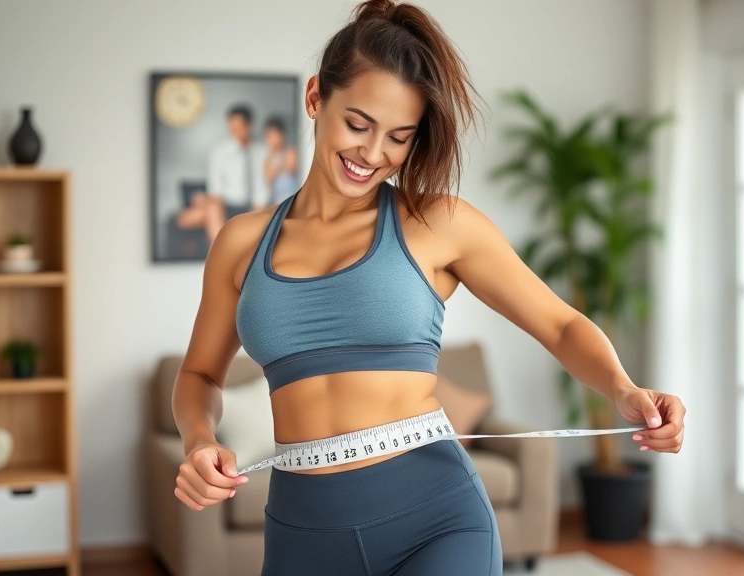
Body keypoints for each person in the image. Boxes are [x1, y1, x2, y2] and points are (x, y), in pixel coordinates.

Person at [171, 1, 686, 574]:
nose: (372, 154)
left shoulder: (438, 223)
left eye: (399, 138)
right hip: (301, 535)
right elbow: (200, 375)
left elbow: (560, 324)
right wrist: (199, 440)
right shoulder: (241, 243)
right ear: (316, 97)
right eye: (358, 124)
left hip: (436, 522)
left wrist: (623, 388)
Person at [176, 104, 269, 243]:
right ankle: (222, 250)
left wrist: (257, 208)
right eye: (232, 128)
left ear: (249, 126)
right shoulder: (219, 153)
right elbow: (216, 189)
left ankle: (223, 250)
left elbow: (264, 185)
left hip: (253, 206)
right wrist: (214, 204)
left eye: (238, 128)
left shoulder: (263, 152)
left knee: (196, 215)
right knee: (202, 212)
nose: (235, 133)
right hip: (226, 206)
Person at [263, 116, 300, 205]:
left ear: (282, 135)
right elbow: (268, 178)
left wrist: (278, 164)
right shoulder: (269, 157)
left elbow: (290, 168)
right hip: (277, 201)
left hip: (292, 199)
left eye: (275, 136)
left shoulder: (290, 151)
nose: (272, 140)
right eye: (269, 136)